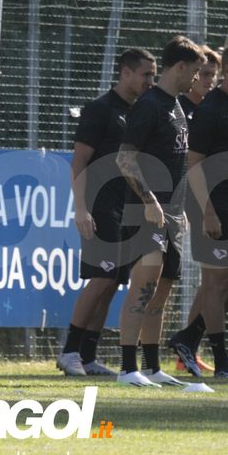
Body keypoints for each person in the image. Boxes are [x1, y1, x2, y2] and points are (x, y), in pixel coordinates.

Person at [57, 48, 156, 376]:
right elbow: (79, 162)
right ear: (126, 73)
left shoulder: (143, 111)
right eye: (145, 75)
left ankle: (87, 355)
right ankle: (69, 350)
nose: (149, 81)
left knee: (113, 282)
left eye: (153, 75)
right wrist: (81, 208)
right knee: (100, 278)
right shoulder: (100, 109)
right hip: (100, 206)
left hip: (127, 208)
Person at [167, 43, 228, 380]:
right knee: (217, 282)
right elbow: (194, 166)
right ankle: (222, 362)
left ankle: (188, 337)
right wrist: (207, 212)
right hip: (210, 203)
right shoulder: (210, 110)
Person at [115, 35, 204, 387]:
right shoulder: (150, 105)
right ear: (180, 67)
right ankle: (127, 368)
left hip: (173, 213)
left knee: (164, 288)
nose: (197, 79)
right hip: (145, 211)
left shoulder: (177, 106)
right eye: (195, 72)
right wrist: (149, 200)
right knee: (144, 283)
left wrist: (180, 210)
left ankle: (151, 367)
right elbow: (125, 158)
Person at [174, 44, 221, 374]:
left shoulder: (213, 110)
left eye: (212, 76)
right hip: (185, 203)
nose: (207, 80)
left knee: (215, 280)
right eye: (203, 74)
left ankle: (186, 347)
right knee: (211, 279)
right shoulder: (178, 108)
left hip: (212, 202)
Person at [178, 45, 219, 122]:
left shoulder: (215, 109)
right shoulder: (178, 110)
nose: (211, 80)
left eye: (214, 75)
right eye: (205, 74)